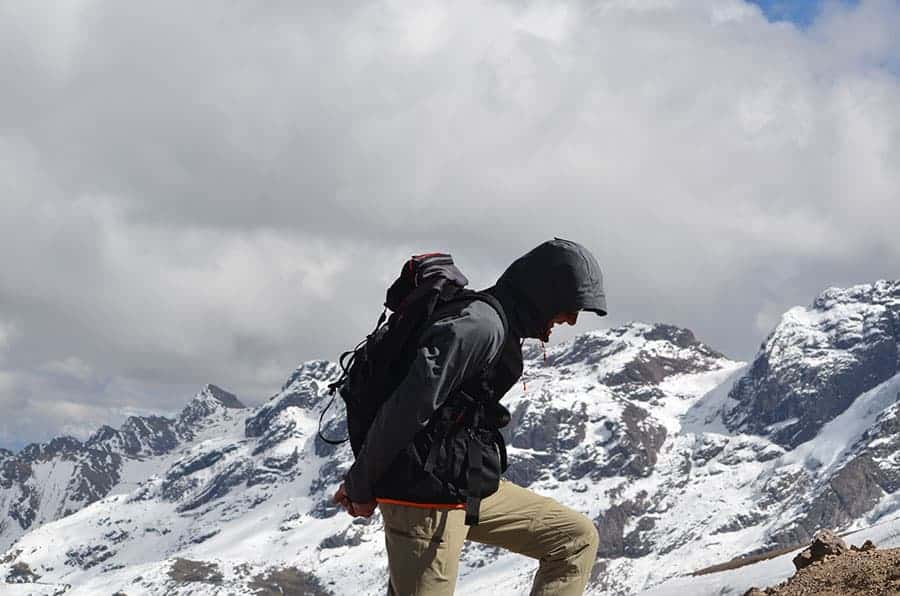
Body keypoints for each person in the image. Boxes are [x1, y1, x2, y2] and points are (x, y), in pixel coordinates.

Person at [333, 238, 607, 595]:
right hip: (424, 501)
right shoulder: (480, 326)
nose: (570, 320)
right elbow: (406, 409)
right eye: (570, 307)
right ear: (545, 295)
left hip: (462, 488)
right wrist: (360, 484)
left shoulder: (495, 323)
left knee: (573, 539)